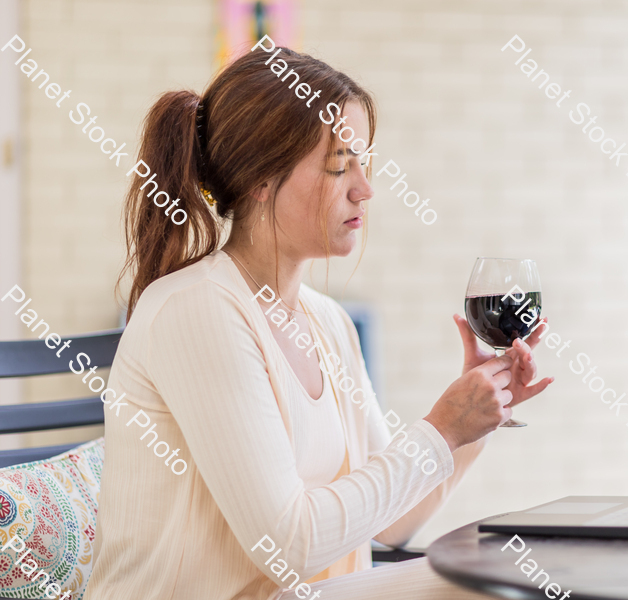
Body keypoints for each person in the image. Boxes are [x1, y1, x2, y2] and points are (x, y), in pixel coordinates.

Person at [83, 46, 552, 600]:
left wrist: (474, 422)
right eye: (339, 165)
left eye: (364, 162)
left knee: (512, 573)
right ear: (260, 179)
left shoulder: (329, 324)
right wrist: (441, 428)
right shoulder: (197, 310)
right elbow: (289, 546)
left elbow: (394, 524)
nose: (365, 188)